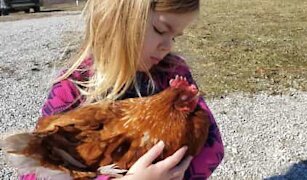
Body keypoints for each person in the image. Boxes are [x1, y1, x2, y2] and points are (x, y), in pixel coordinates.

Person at [20, 0, 224, 179]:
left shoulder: (172, 73)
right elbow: (33, 166)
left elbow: (213, 148)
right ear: (121, 17)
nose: (168, 46)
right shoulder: (71, 88)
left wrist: (175, 174)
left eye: (175, 37)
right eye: (161, 30)